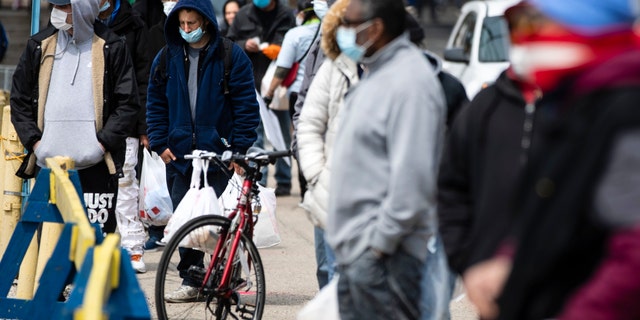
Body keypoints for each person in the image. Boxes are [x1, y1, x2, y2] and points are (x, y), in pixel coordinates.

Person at [462, 1, 640, 319]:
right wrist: (512, 260)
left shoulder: (628, 111)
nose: (523, 39)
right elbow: (559, 212)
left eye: (535, 23)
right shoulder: (577, 104)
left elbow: (633, 249)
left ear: (589, 27)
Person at [326, 0, 446, 318]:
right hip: (360, 255)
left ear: (375, 28)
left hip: (385, 261)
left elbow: (413, 180)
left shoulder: (410, 83)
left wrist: (377, 246)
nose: (342, 32)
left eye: (349, 24)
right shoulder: (377, 73)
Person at [146, 0, 259, 302]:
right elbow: (155, 101)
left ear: (206, 21)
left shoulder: (230, 56)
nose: (186, 30)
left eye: (192, 24)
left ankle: (227, 276)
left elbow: (247, 106)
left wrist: (239, 149)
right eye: (181, 24)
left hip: (220, 155)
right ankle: (191, 279)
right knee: (186, 220)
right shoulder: (167, 56)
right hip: (180, 156)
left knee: (222, 220)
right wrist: (160, 142)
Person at [10, 0, 139, 237]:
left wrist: (101, 145)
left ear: (83, 8)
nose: (57, 12)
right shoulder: (39, 45)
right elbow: (19, 99)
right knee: (49, 246)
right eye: (55, 6)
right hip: (48, 165)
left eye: (64, 7)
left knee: (95, 245)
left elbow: (128, 103)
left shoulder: (111, 46)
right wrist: (36, 144)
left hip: (96, 167)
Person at [295, 0, 348, 290]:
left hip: (367, 186)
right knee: (328, 265)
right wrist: (313, 169)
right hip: (325, 175)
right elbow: (305, 114)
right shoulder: (322, 54)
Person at [97, 0, 150, 273]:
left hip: (125, 116)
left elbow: (143, 77)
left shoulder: (134, 23)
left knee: (126, 181)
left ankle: (132, 247)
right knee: (94, 184)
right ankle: (100, 245)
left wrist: (143, 126)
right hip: (90, 117)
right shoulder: (80, 19)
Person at [226, 0, 295, 196]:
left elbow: (292, 45)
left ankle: (284, 180)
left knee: (281, 135)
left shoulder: (286, 14)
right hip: (252, 84)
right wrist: (244, 45)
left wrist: (277, 49)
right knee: (255, 135)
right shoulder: (244, 14)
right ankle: (258, 179)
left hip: (278, 84)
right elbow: (230, 41)